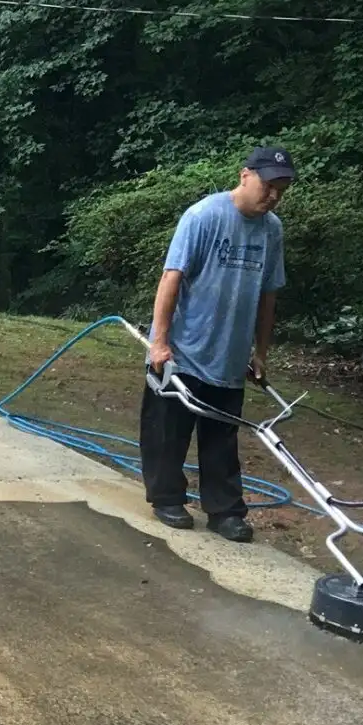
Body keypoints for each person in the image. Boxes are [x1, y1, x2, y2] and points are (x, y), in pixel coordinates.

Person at [140, 144, 293, 542]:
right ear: (245, 176)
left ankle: (225, 511)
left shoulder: (271, 230)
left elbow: (268, 294)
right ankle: (167, 497)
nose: (274, 195)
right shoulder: (204, 215)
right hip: (184, 350)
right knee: (168, 431)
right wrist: (159, 342)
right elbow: (171, 278)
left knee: (222, 438)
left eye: (282, 189)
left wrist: (260, 352)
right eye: (269, 185)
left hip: (229, 354)